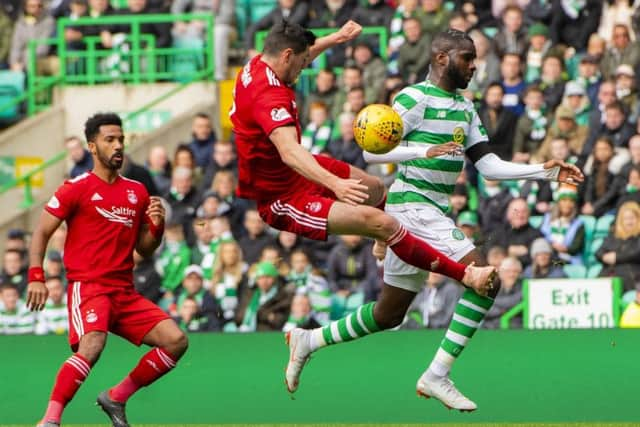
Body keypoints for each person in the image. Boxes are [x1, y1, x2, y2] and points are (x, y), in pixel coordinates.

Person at [284, 29, 584, 412]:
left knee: (388, 312)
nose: (474, 65)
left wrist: (544, 171)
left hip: (429, 209)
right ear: (442, 58)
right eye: (466, 58)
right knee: (484, 279)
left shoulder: (465, 107)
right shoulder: (415, 98)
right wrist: (427, 149)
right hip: (412, 204)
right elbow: (374, 153)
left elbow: (488, 165)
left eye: (474, 58)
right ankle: (437, 375)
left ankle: (308, 340)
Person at [231, 17, 499, 390]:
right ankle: (464, 274)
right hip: (281, 196)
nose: (307, 66)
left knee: (374, 187)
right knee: (386, 224)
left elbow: (298, 51)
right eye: (304, 62)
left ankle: (312, 335)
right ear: (287, 56)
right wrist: (336, 185)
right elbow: (291, 152)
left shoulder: (260, 62)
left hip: (297, 172)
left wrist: (336, 38)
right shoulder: (269, 95)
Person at [26, 113, 188, 427]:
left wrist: (156, 227)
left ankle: (116, 397)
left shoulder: (137, 191)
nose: (117, 145)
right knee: (93, 344)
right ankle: (50, 420)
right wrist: (36, 276)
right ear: (92, 146)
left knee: (176, 341)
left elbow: (144, 249)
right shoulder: (76, 187)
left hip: (124, 291)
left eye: (120, 139)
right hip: (89, 287)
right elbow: (41, 232)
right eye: (109, 139)